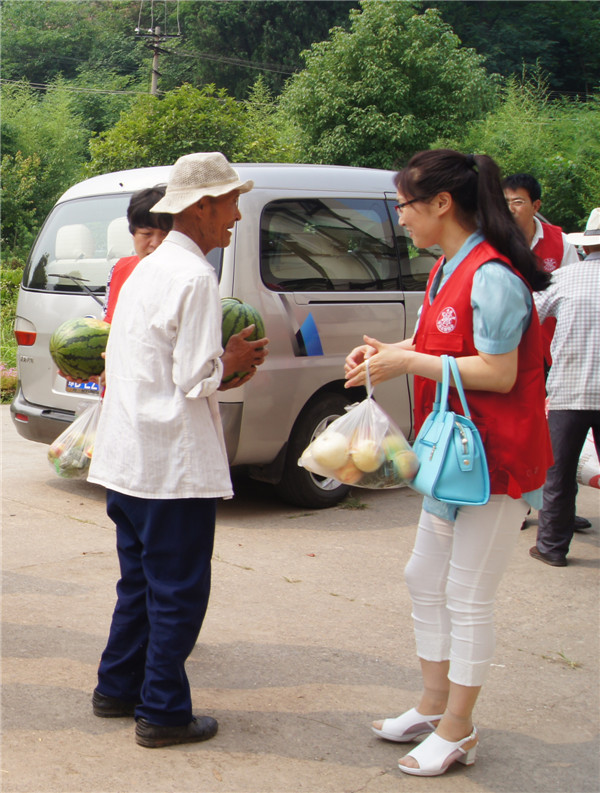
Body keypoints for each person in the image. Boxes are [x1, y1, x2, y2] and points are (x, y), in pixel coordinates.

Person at [344, 150, 552, 776]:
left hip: (494, 459)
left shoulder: (492, 275)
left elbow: (500, 370)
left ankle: (459, 728)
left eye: (405, 205)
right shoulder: (445, 270)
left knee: (467, 594)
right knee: (422, 576)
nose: (401, 218)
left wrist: (408, 363)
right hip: (453, 457)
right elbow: (442, 343)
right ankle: (434, 705)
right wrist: (393, 351)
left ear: (442, 204)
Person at [87, 152, 269, 748]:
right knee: (178, 592)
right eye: (232, 203)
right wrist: (233, 360)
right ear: (203, 207)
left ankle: (117, 688)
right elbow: (195, 377)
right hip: (170, 466)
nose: (237, 216)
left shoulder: (147, 268)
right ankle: (163, 712)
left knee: (138, 582)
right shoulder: (193, 276)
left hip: (128, 459)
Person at [529, 208, 600, 566]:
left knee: (558, 473)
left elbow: (529, 320)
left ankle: (552, 548)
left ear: (586, 245)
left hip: (569, 392)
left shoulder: (563, 278)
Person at [502, 173, 579, 369]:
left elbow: (573, 292)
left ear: (536, 206)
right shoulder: (493, 242)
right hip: (506, 343)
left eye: (518, 202)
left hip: (550, 343)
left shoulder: (560, 242)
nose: (510, 209)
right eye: (505, 202)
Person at [103, 186, 172, 323]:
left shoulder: (186, 278)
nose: (156, 243)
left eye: (165, 234)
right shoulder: (119, 269)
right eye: (147, 234)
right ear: (133, 234)